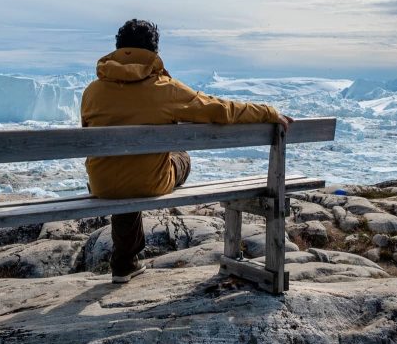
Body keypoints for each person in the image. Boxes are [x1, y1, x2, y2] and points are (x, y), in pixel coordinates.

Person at [80, 19, 292, 283]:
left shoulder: (92, 92)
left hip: (103, 184)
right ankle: (126, 260)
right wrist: (268, 112)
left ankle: (124, 263)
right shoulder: (166, 89)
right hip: (151, 182)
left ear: (117, 48)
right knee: (178, 156)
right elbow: (219, 109)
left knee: (123, 170)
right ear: (154, 52)